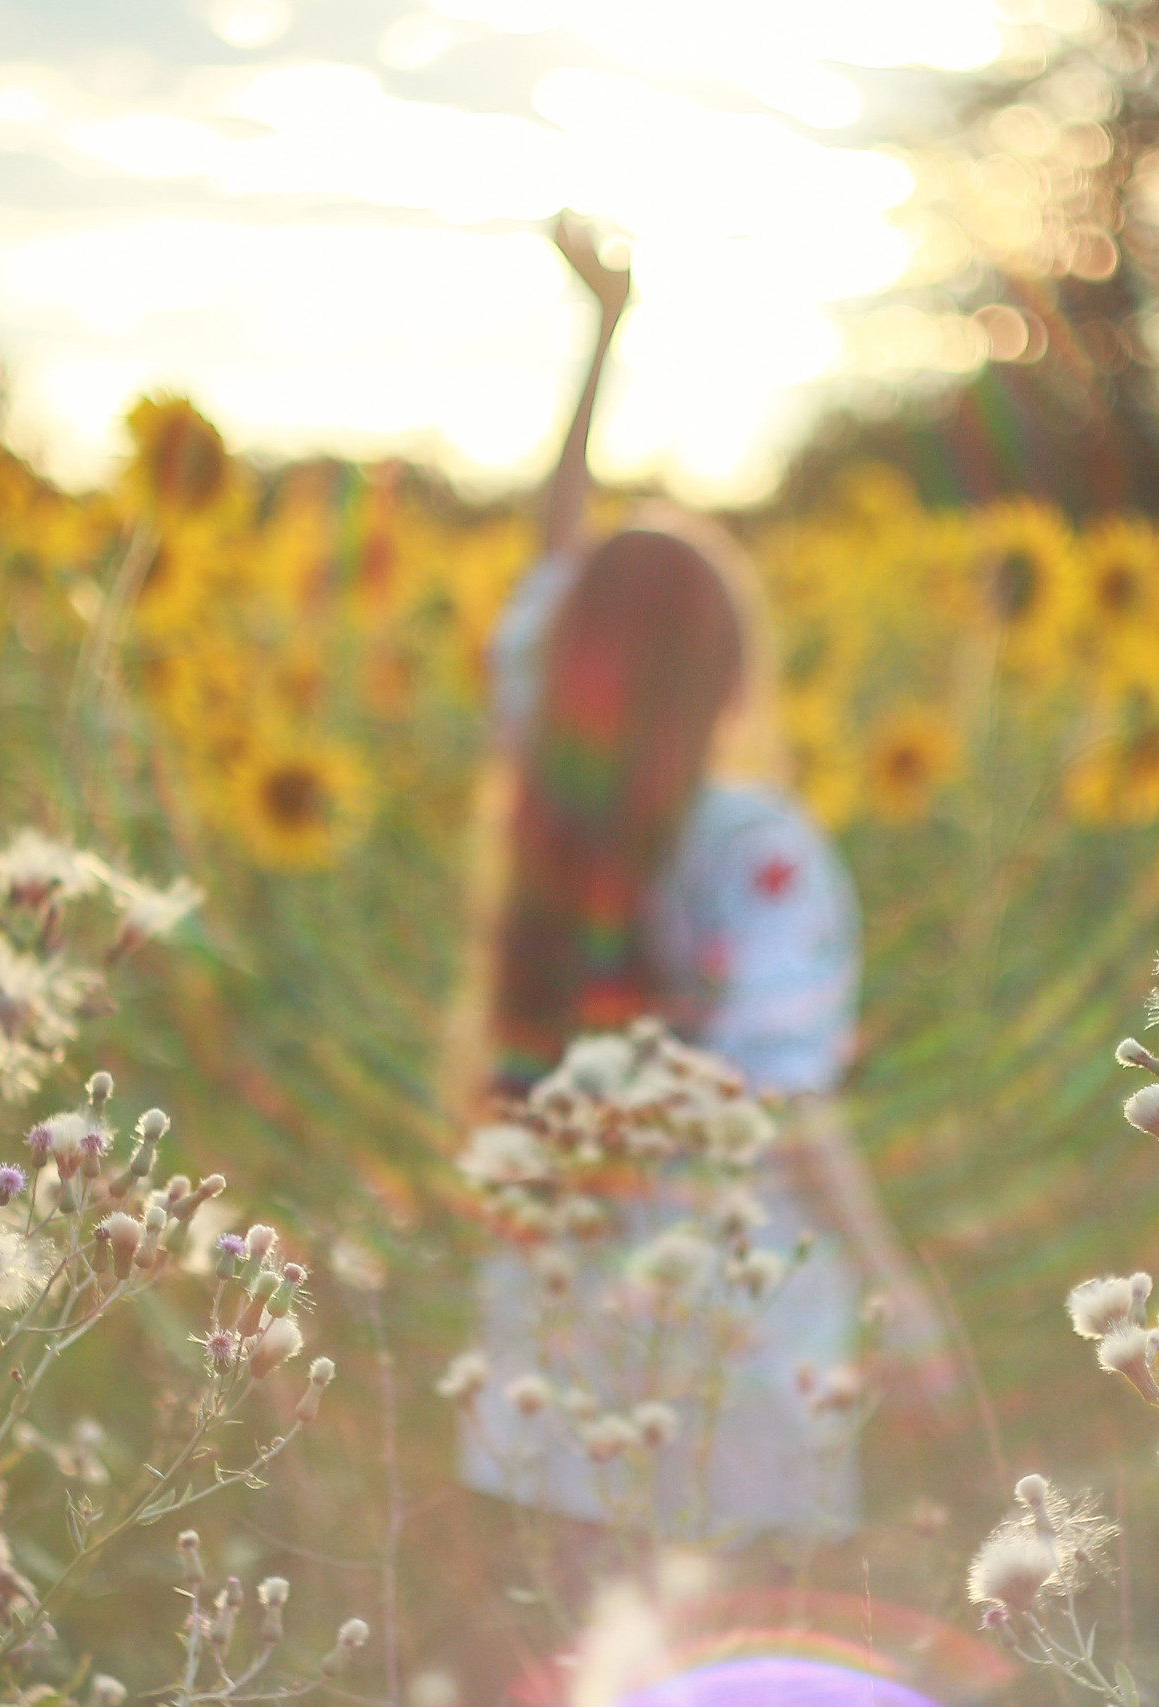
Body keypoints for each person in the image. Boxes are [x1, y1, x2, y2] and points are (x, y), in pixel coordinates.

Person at [439, 215, 952, 1553]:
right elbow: (783, 1101)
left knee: (576, 1620)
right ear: (727, 672)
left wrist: (600, 338)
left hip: (557, 1270)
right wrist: (900, 1295)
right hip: (731, 1308)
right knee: (721, 1638)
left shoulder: (551, 793)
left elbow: (558, 559)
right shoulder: (754, 848)